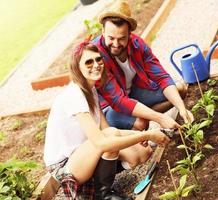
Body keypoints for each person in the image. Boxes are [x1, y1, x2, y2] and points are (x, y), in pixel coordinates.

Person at [43, 41, 170, 199]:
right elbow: (103, 141)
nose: (96, 65)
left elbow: (105, 129)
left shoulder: (91, 90)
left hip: (85, 151)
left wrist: (138, 137)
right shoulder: (74, 95)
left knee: (142, 153)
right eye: (89, 62)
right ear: (77, 67)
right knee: (110, 138)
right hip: (65, 165)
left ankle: (97, 180)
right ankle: (102, 194)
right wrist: (147, 136)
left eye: (98, 59)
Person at [93, 0, 194, 131]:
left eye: (122, 38)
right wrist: (159, 118)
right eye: (111, 38)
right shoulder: (97, 56)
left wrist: (182, 108)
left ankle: (145, 116)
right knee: (141, 124)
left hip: (132, 93)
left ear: (130, 34)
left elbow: (161, 77)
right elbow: (118, 100)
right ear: (103, 31)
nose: (116, 44)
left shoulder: (137, 44)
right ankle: (141, 121)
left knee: (179, 90)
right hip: (110, 106)